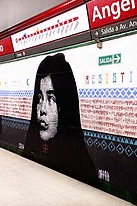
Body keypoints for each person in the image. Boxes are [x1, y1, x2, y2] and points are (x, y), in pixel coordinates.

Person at [23, 53, 98, 187]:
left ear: (64, 106)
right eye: (39, 98)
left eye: (51, 98)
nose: (42, 109)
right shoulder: (32, 150)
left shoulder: (83, 170)